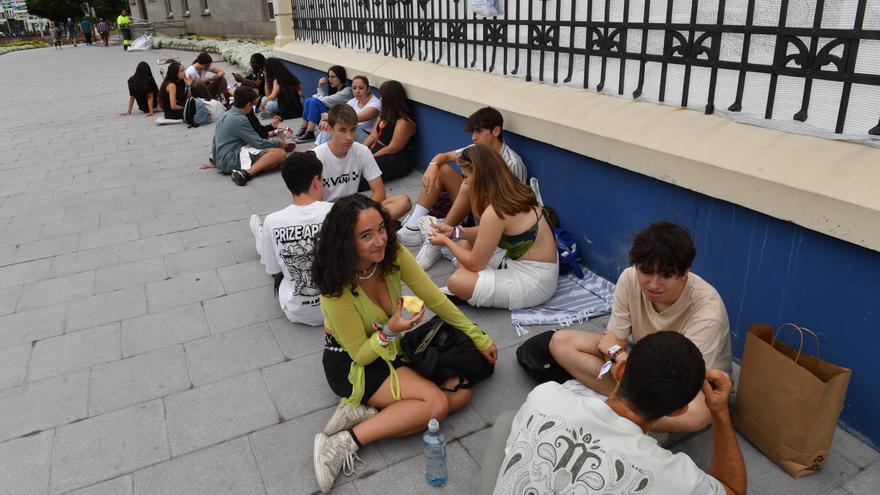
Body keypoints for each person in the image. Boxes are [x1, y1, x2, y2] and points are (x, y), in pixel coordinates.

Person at [311, 194, 498, 494]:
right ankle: (343, 442)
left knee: (460, 394)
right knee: (436, 404)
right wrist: (391, 328)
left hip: (392, 348)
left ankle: (373, 413)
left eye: (381, 229)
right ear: (345, 242)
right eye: (366, 236)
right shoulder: (335, 290)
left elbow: (435, 298)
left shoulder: (392, 256)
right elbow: (359, 353)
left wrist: (478, 336)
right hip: (352, 365)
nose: (380, 241)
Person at [490, 331, 746, 495]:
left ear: (621, 371)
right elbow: (733, 490)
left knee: (506, 424)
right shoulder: (673, 477)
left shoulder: (545, 396)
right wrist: (720, 412)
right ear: (679, 411)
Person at [549, 221, 732, 432]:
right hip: (640, 364)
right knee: (561, 342)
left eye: (665, 275)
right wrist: (618, 354)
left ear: (685, 272)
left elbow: (679, 381)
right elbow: (613, 341)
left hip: (688, 383)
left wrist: (618, 356)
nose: (653, 284)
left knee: (697, 414)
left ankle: (623, 407)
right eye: (645, 271)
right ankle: (636, 410)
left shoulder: (707, 310)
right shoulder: (629, 278)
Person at [427, 144, 558, 310]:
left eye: (466, 177)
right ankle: (470, 283)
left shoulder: (495, 211)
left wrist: (447, 241)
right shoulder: (515, 190)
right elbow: (484, 233)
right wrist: (455, 232)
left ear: (480, 177)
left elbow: (476, 264)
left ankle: (466, 286)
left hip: (534, 281)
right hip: (527, 263)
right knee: (465, 238)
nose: (465, 183)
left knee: (456, 281)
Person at [402, 107, 527, 270]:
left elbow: (513, 206)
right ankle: (414, 229)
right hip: (471, 210)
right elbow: (444, 157)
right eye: (472, 132)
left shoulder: (512, 163)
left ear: (496, 131)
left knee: (468, 186)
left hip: (495, 216)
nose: (474, 137)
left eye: (479, 132)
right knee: (442, 169)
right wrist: (432, 165)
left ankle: (440, 238)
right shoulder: (476, 151)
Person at [249, 153, 332, 326]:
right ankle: (262, 237)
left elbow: (273, 269)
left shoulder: (273, 220)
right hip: (336, 310)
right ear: (316, 181)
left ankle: (261, 236)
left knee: (276, 260)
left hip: (296, 312)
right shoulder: (336, 211)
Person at [312, 104, 411, 220]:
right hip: (329, 216)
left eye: (353, 130)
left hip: (354, 211)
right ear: (330, 129)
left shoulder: (362, 151)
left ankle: (362, 229)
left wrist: (361, 214)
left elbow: (379, 192)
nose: (349, 137)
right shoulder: (316, 157)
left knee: (403, 201)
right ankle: (367, 229)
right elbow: (311, 204)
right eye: (342, 130)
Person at [212, 86, 288, 186]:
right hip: (230, 159)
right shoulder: (240, 119)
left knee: (275, 155)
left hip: (219, 157)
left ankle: (264, 164)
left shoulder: (226, 113)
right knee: (280, 154)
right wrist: (278, 142)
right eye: (253, 104)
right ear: (248, 104)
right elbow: (258, 143)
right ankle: (246, 173)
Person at [362, 80, 416, 183]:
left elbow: (393, 148)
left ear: (391, 99)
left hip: (395, 158)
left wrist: (370, 158)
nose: (380, 98)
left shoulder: (404, 121)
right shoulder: (385, 113)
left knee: (362, 173)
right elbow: (373, 135)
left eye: (382, 96)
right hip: (377, 150)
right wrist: (361, 151)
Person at [314, 74, 380, 145]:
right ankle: (314, 150)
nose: (357, 91)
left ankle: (313, 152)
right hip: (351, 132)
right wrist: (326, 120)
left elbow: (353, 119)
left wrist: (329, 118)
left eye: (361, 88)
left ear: (368, 89)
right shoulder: (353, 101)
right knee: (332, 125)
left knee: (338, 125)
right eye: (354, 88)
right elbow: (339, 113)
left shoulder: (375, 104)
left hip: (367, 138)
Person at [294, 65, 353, 143]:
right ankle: (304, 128)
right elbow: (322, 100)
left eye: (333, 77)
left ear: (340, 77)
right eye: (329, 77)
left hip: (341, 120)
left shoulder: (347, 91)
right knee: (309, 100)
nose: (329, 79)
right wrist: (320, 87)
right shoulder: (336, 90)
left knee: (314, 101)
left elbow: (324, 100)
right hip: (332, 116)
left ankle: (310, 132)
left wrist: (319, 88)